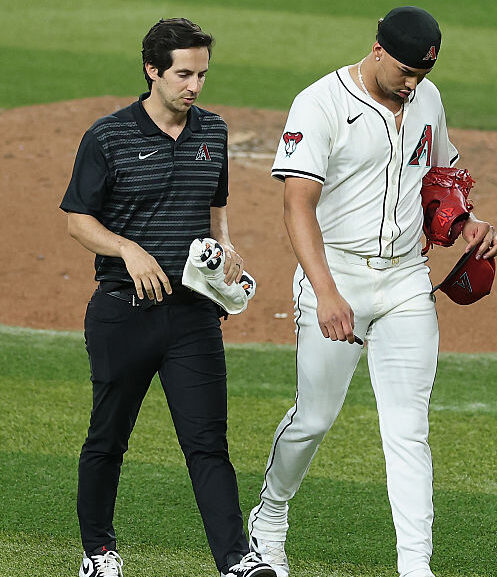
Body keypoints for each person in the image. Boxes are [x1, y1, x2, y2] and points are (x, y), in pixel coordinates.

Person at [247, 6, 497, 577]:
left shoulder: (427, 101)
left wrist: (470, 225)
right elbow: (297, 205)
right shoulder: (321, 104)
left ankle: (416, 566)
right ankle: (270, 516)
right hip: (335, 275)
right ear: (379, 49)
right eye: (406, 71)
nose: (413, 84)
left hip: (406, 282)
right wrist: (326, 291)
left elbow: (441, 185)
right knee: (314, 417)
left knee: (408, 428)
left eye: (423, 74)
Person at [60, 18, 274, 577]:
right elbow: (78, 220)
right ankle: (98, 555)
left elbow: (216, 203)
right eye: (184, 73)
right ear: (152, 70)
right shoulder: (108, 136)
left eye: (202, 74)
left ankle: (235, 561)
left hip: (193, 315)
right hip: (122, 312)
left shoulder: (214, 131)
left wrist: (226, 244)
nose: (195, 86)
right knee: (108, 439)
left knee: (208, 443)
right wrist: (128, 250)